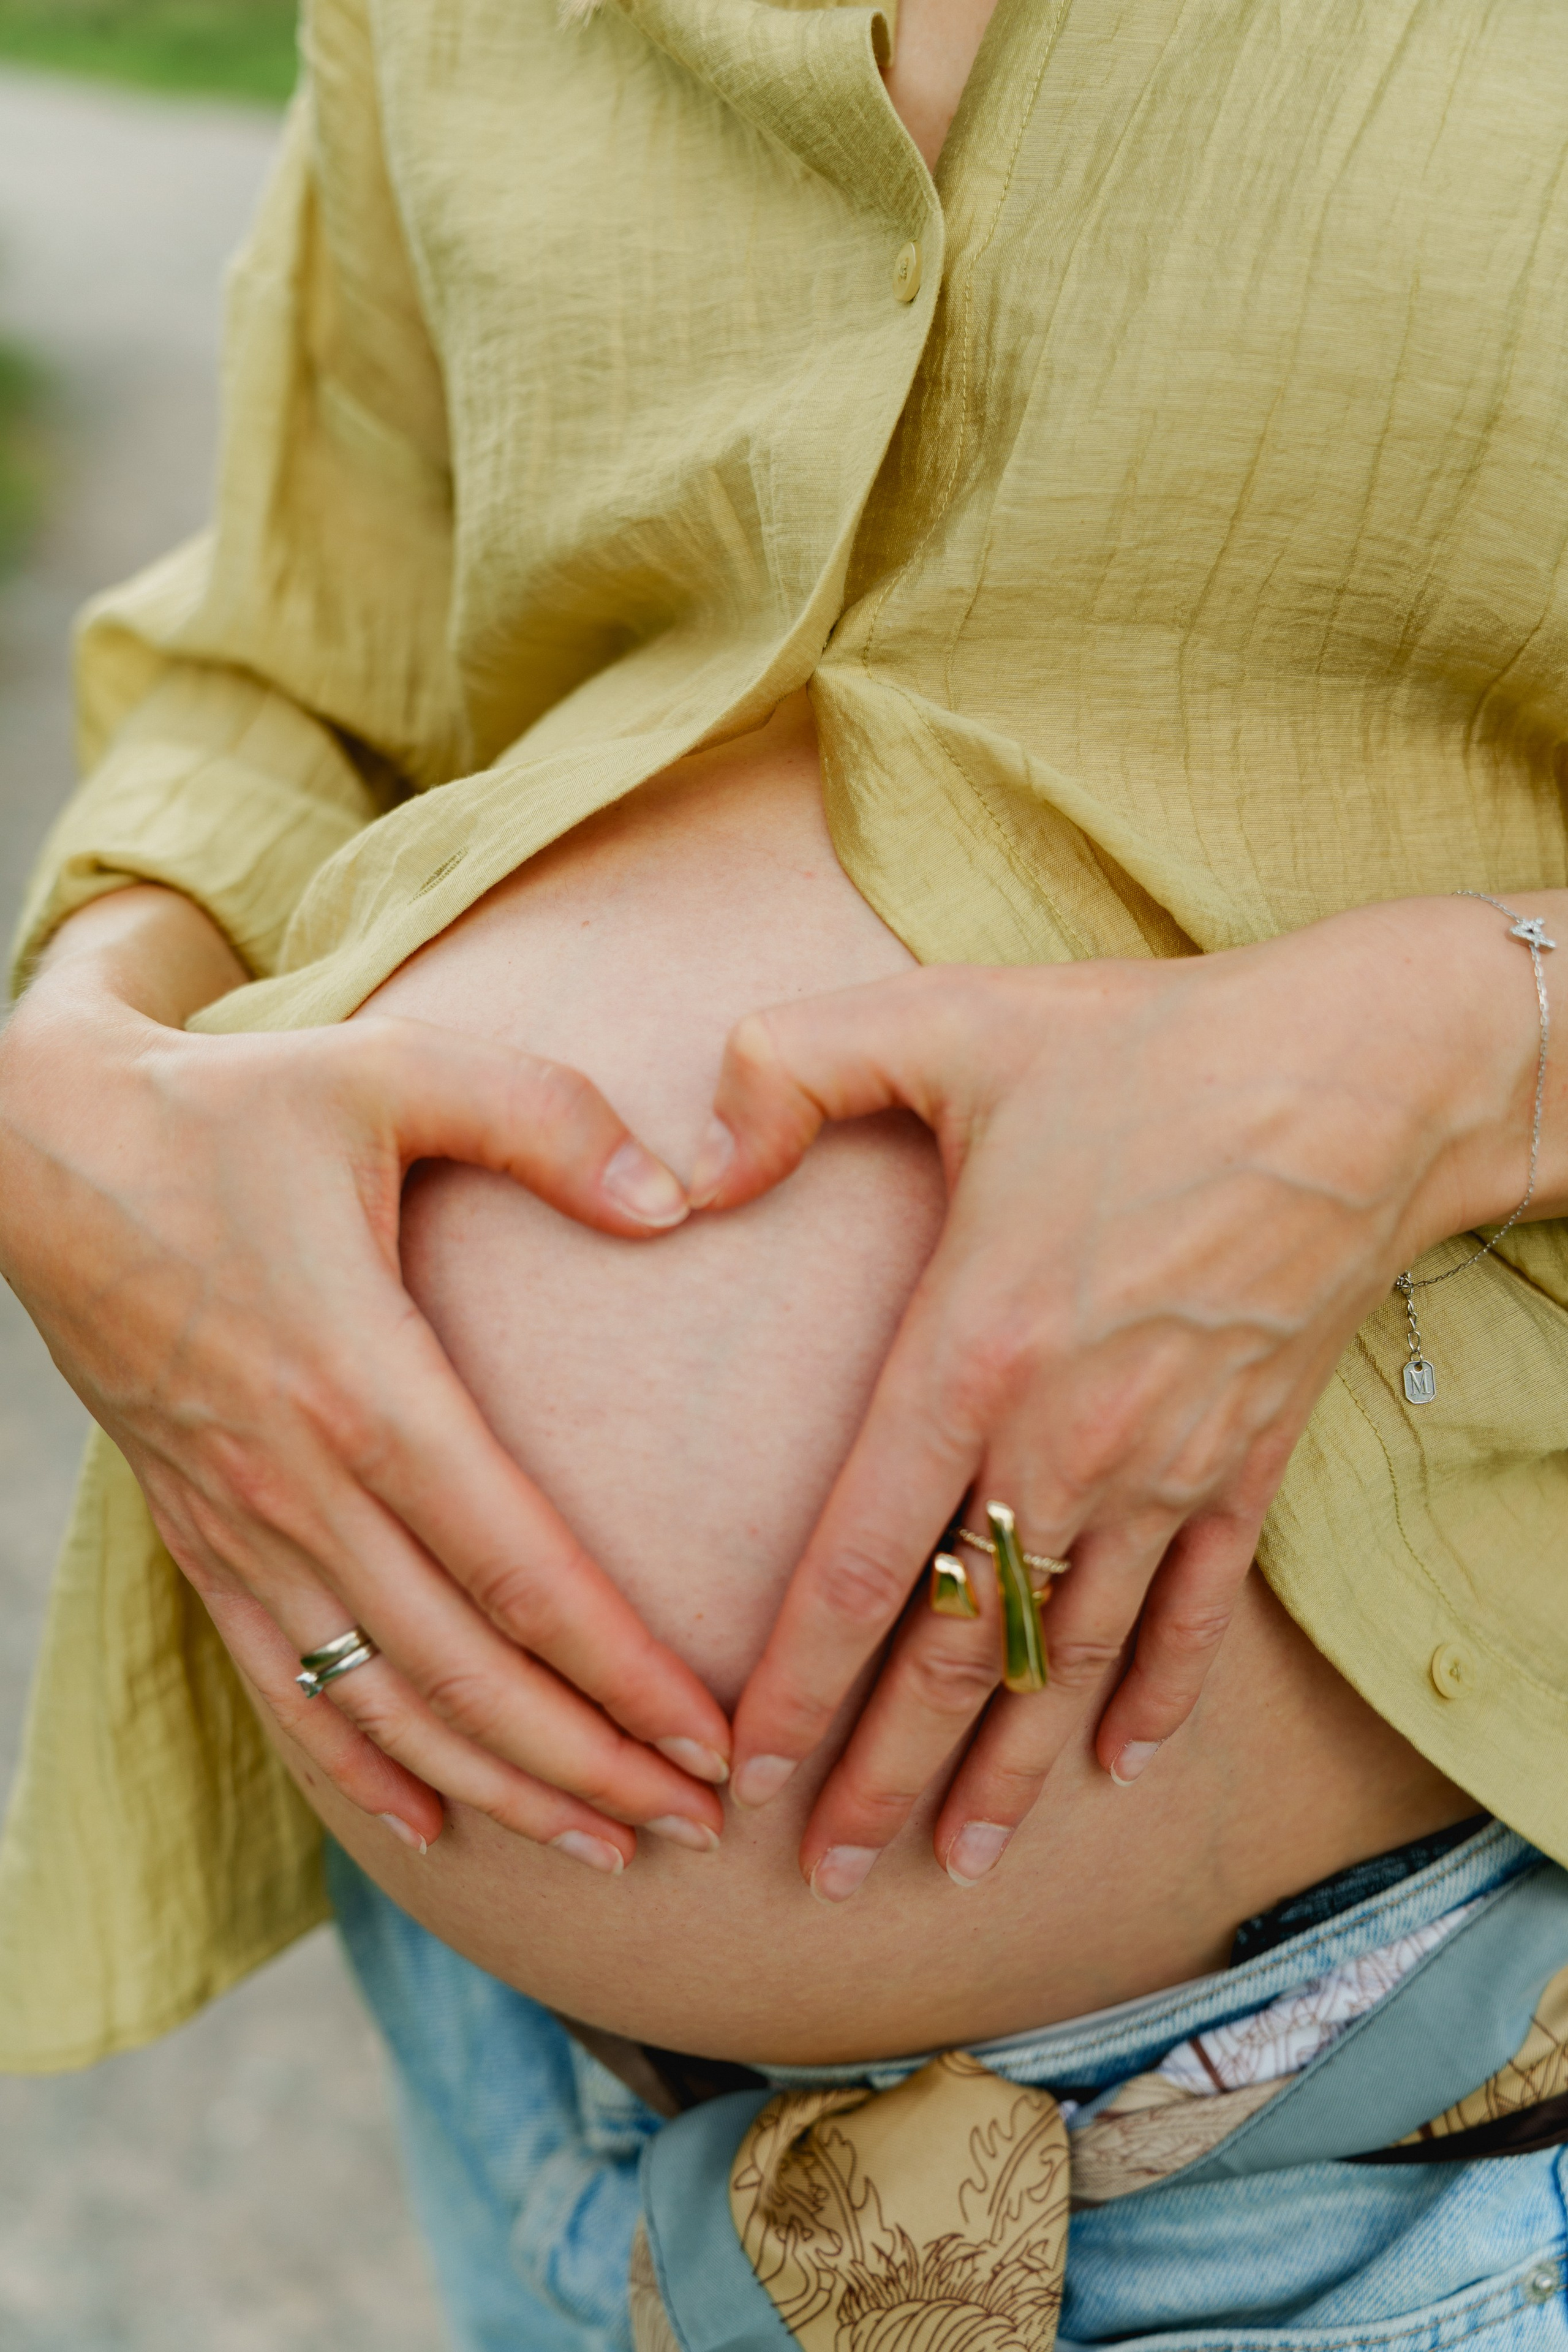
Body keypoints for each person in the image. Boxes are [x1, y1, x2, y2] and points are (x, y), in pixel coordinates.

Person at [2, 0, 1567, 2343]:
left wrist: (1463, 1053)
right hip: (537, 2099)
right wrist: (69, 1081)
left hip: (1395, 2136)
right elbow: (293, 660)